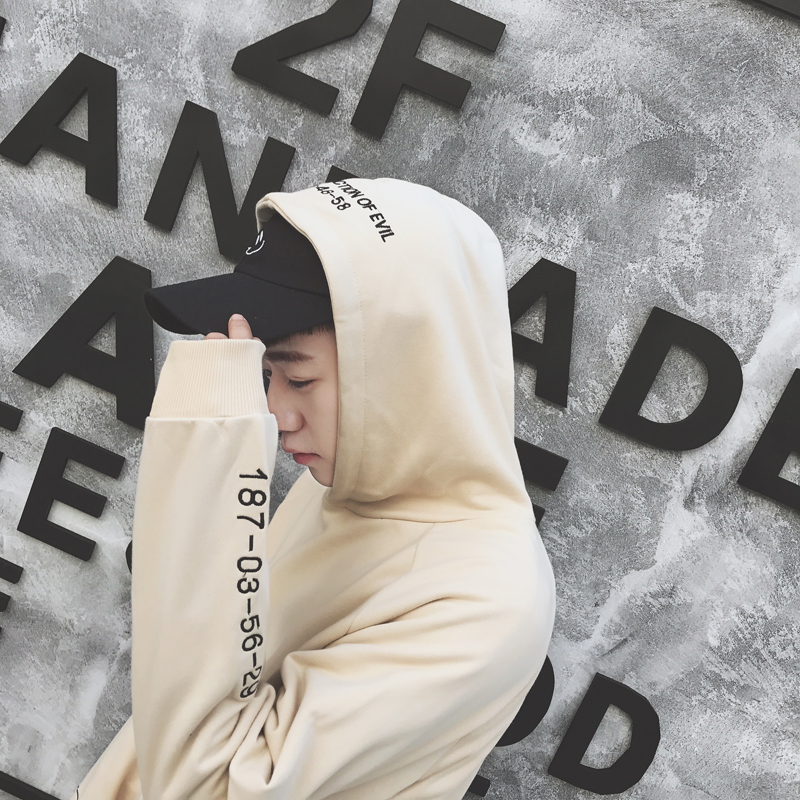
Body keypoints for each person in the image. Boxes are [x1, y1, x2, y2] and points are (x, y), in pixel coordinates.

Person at [71, 177, 556, 800]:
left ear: (404, 363)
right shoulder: (353, 481)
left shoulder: (486, 602)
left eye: (298, 379)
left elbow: (206, 787)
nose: (276, 414)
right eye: (264, 374)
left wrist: (205, 465)